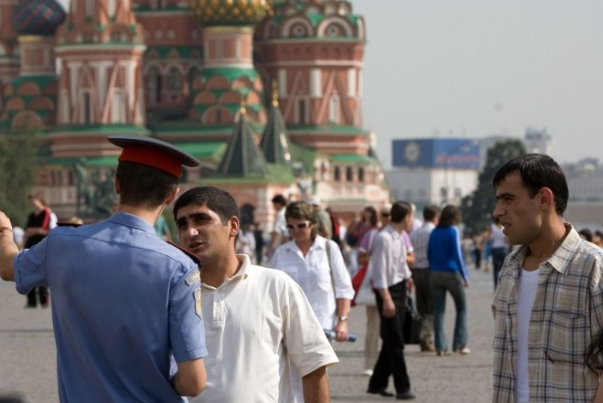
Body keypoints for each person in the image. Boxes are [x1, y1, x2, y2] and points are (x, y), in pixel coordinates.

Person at [0, 135, 208, 402]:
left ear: (116, 183)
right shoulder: (180, 267)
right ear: (171, 195)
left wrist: (5, 230)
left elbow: (8, 267)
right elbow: (193, 382)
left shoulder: (61, 244)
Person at [174, 186, 339, 403]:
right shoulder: (175, 295)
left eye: (201, 220)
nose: (190, 232)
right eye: (183, 224)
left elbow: (314, 367)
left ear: (233, 226)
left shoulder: (276, 286)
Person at [491, 154, 603, 402]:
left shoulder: (593, 266)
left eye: (508, 199)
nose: (498, 211)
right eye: (498, 200)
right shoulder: (509, 268)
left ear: (544, 199)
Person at [366, 201, 416, 400]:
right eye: (411, 216)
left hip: (400, 288)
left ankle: (376, 383)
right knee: (396, 342)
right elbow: (379, 274)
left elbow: (401, 263)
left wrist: (408, 278)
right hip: (387, 291)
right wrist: (386, 299)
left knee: (392, 338)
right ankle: (403, 387)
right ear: (406, 217)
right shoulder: (383, 239)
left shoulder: (400, 237)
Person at [427, 204, 470, 357]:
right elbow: (458, 255)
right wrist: (465, 276)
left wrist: (433, 268)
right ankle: (459, 343)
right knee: (462, 308)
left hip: (435, 273)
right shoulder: (453, 231)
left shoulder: (434, 231)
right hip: (451, 273)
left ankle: (441, 346)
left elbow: (429, 253)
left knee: (439, 311)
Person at [354, 205, 382, 376]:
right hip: (374, 284)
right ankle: (370, 362)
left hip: (395, 286)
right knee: (373, 325)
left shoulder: (400, 236)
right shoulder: (370, 234)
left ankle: (387, 363)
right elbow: (360, 257)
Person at [409, 204, 440, 353]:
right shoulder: (434, 232)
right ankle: (425, 335)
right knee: (433, 306)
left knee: (421, 306)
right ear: (435, 217)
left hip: (416, 271)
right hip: (430, 270)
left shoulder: (414, 233)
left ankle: (423, 335)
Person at [22, 194, 52, 308]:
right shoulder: (31, 216)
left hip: (41, 245)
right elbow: (27, 232)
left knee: (41, 273)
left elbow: (43, 229)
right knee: (29, 273)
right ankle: (32, 301)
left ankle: (44, 300)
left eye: (34, 201)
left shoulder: (46, 213)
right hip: (30, 245)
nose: (32, 204)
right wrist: (23, 247)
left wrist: (32, 230)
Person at [486, 217, 508, 289]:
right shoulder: (504, 227)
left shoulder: (492, 227)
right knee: (503, 268)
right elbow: (506, 238)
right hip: (503, 249)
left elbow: (489, 238)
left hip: (495, 248)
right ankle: (503, 285)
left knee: (495, 269)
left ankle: (496, 287)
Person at [265, 194, 288, 260]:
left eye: (274, 204)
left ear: (279, 203)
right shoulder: (286, 213)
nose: (274, 206)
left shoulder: (280, 214)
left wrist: (269, 248)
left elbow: (276, 233)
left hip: (279, 245)